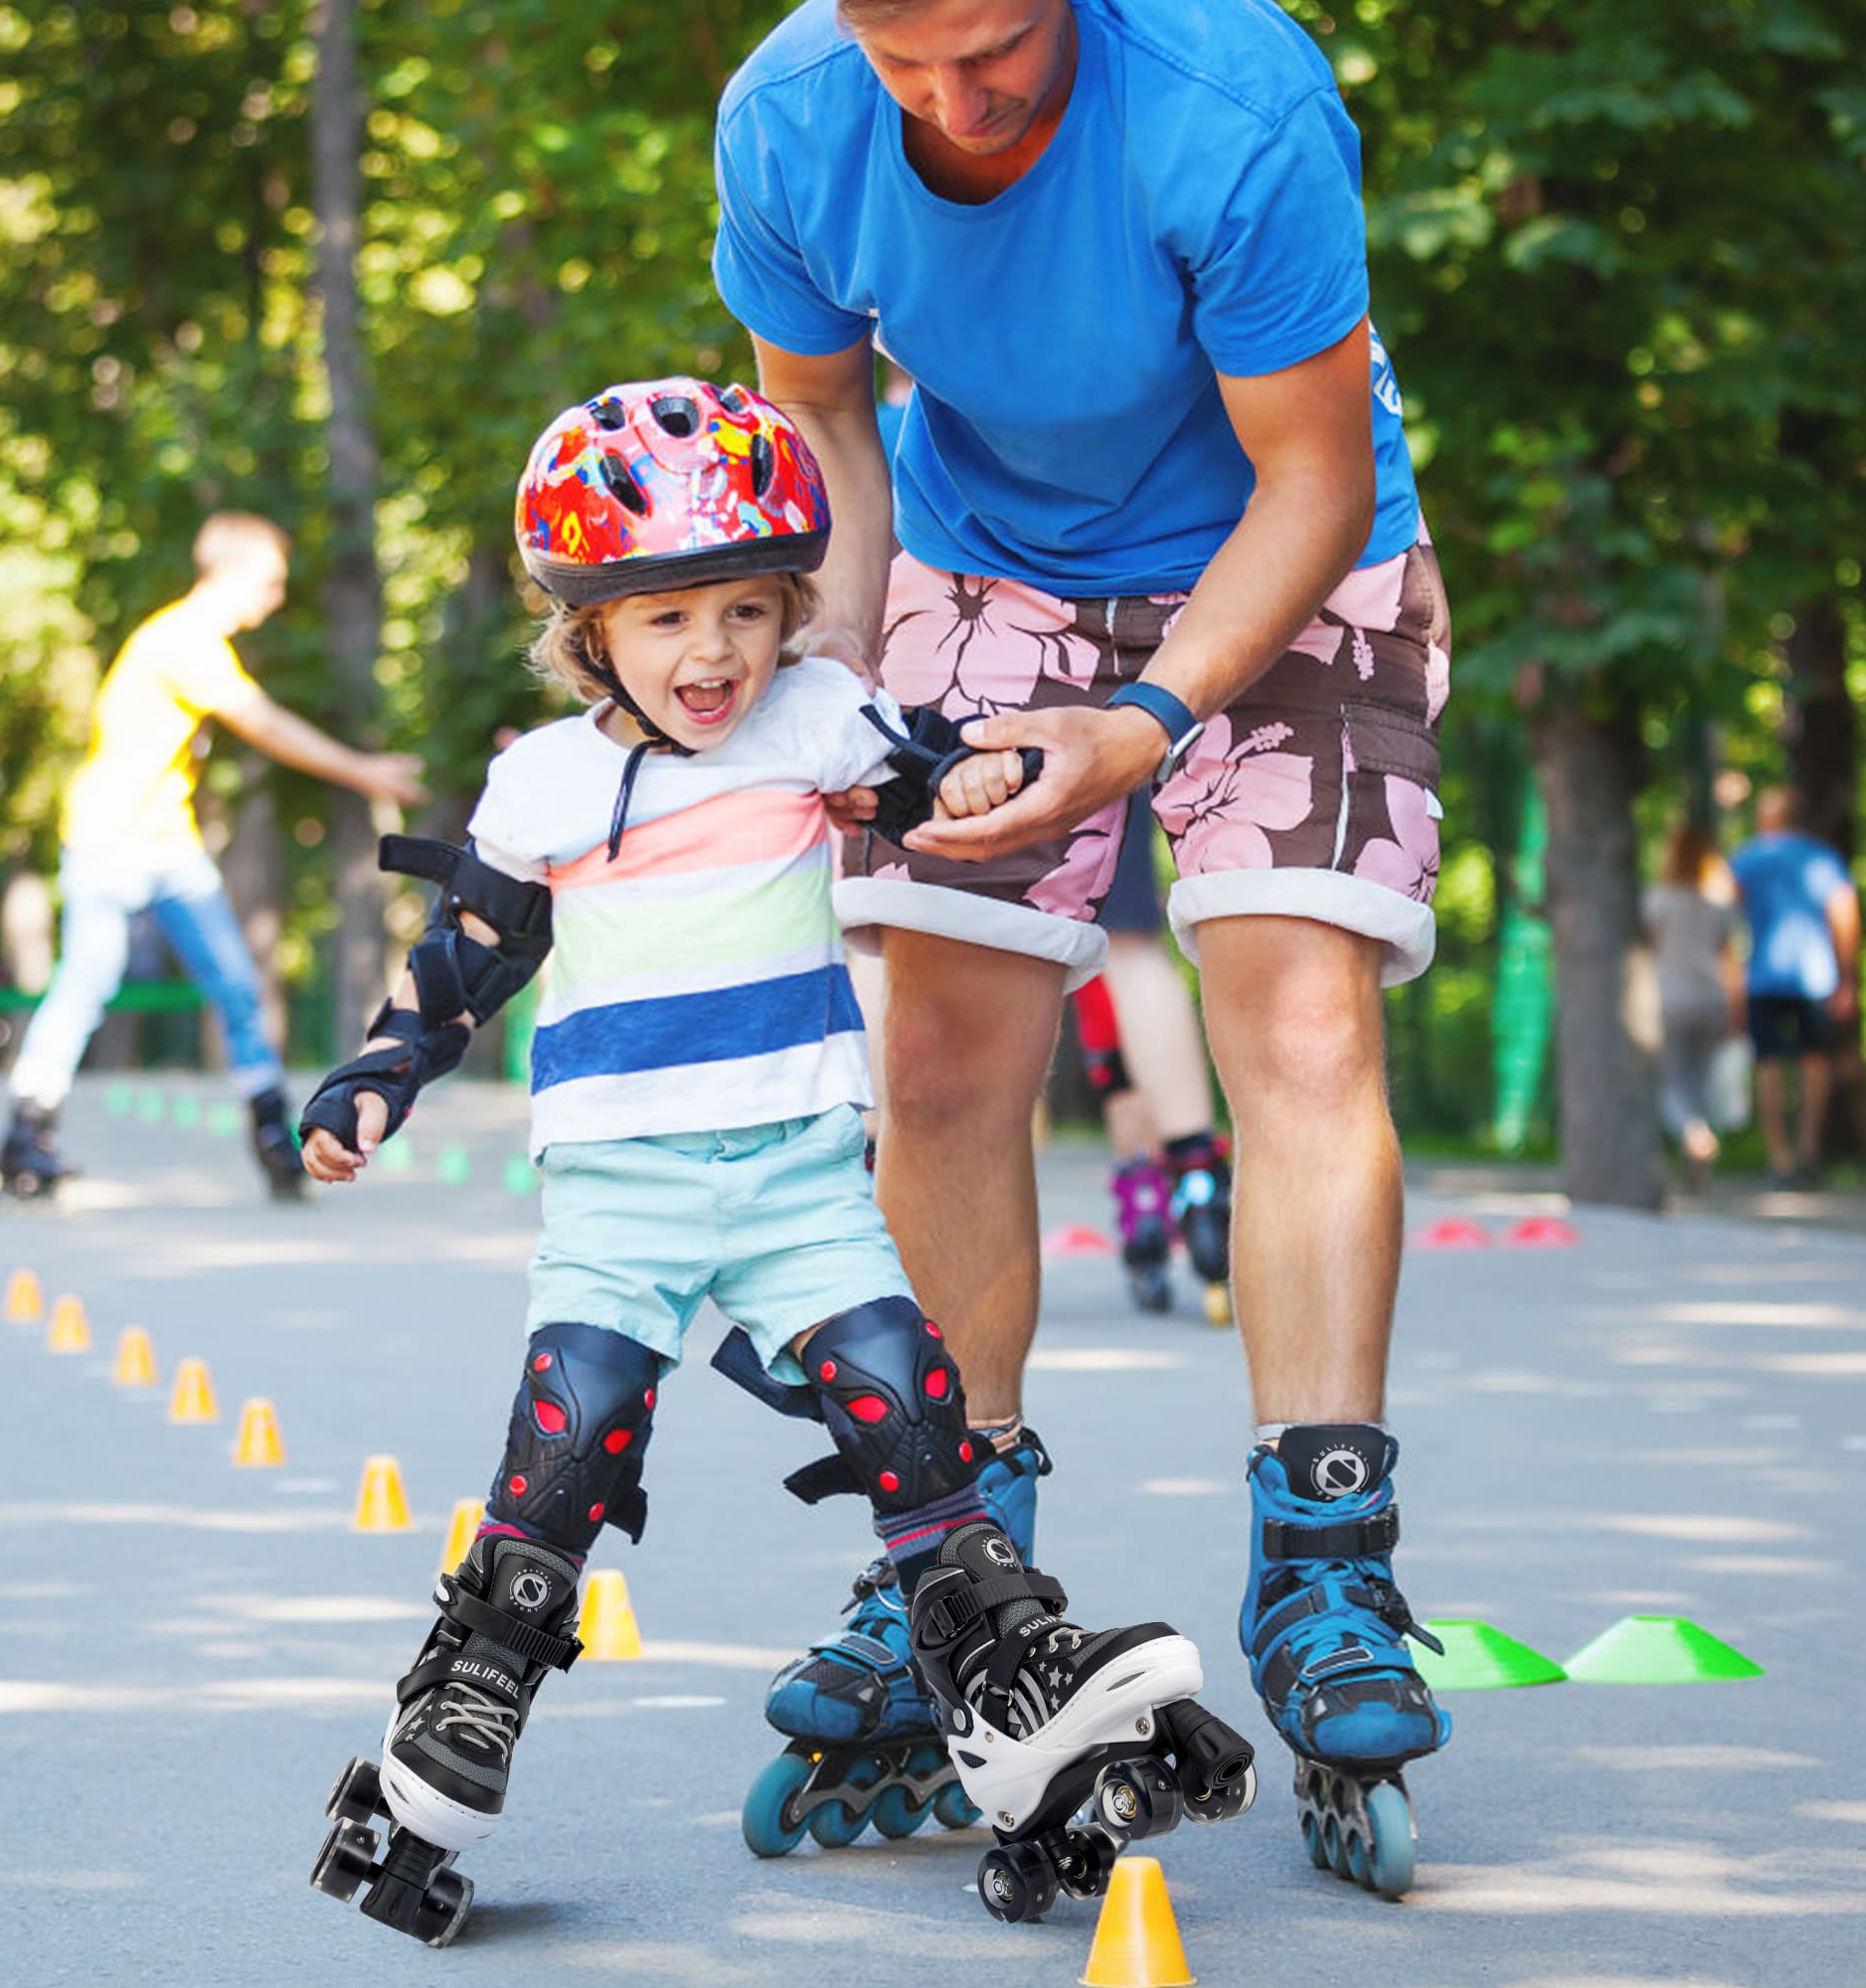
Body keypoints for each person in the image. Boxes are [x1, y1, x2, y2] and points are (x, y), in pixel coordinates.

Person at [298, 380, 1255, 1946]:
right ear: (591, 629)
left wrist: (961, 780)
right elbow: (466, 955)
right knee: (574, 1433)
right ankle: (464, 1700)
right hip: (622, 1183)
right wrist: (377, 1077)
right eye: (669, 616)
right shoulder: (545, 782)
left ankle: (998, 1674)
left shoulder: (813, 719)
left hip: (801, 1170)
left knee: (906, 1389)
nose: (715, 651)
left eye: (748, 609)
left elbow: (913, 774)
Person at [713, 0, 1451, 1891]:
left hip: (1288, 545)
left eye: (995, 53)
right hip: (989, 567)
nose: (954, 106)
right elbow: (826, 420)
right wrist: (838, 683)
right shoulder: (789, 121)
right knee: (943, 1053)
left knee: (1300, 1027)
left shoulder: (1229, 101)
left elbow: (1312, 475)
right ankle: (951, 1563)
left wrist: (1149, 721)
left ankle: (1326, 1567)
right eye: (907, 68)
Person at [0, 513, 426, 1201]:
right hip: (109, 838)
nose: (276, 597)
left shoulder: (192, 640)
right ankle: (27, 1134)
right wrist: (364, 771)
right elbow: (263, 724)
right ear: (234, 571)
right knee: (86, 983)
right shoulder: (181, 641)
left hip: (169, 844)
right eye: (270, 582)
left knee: (236, 986)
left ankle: (273, 1139)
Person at [1072, 789, 1233, 1318]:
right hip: (1099, 742)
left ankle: (870, 1172)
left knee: (911, 934)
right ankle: (1198, 1182)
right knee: (1129, 949)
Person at [1731, 786, 1861, 1185]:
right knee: (1814, 1062)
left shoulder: (1747, 857)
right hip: (1814, 975)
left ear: (1767, 818)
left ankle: (1779, 1159)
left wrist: (1731, 979)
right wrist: (1847, 977)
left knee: (1768, 1064)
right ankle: (1808, 1150)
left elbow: (1724, 918)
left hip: (1761, 976)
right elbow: (1844, 915)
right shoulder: (1820, 858)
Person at [1642, 821, 1742, 1189]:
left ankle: (1693, 1135)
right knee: (1699, 1082)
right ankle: (1697, 1157)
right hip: (1711, 1001)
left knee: (1671, 1082)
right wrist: (1737, 1007)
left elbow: (1649, 950)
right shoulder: (1718, 905)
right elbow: (1729, 961)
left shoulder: (1658, 900)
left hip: (1671, 999)